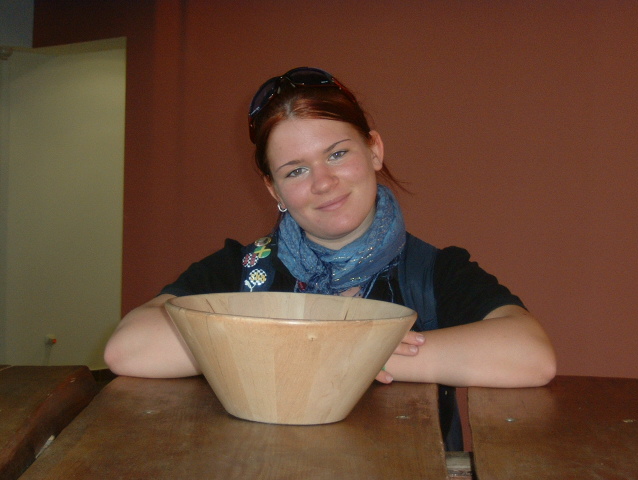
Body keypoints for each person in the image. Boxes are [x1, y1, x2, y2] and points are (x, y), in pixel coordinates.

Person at [104, 67, 556, 450]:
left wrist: (367, 356)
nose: (322, 182)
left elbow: (531, 355)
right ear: (274, 189)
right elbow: (130, 348)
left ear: (374, 150)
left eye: (337, 154)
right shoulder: (239, 270)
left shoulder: (434, 272)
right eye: (296, 170)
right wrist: (335, 345)